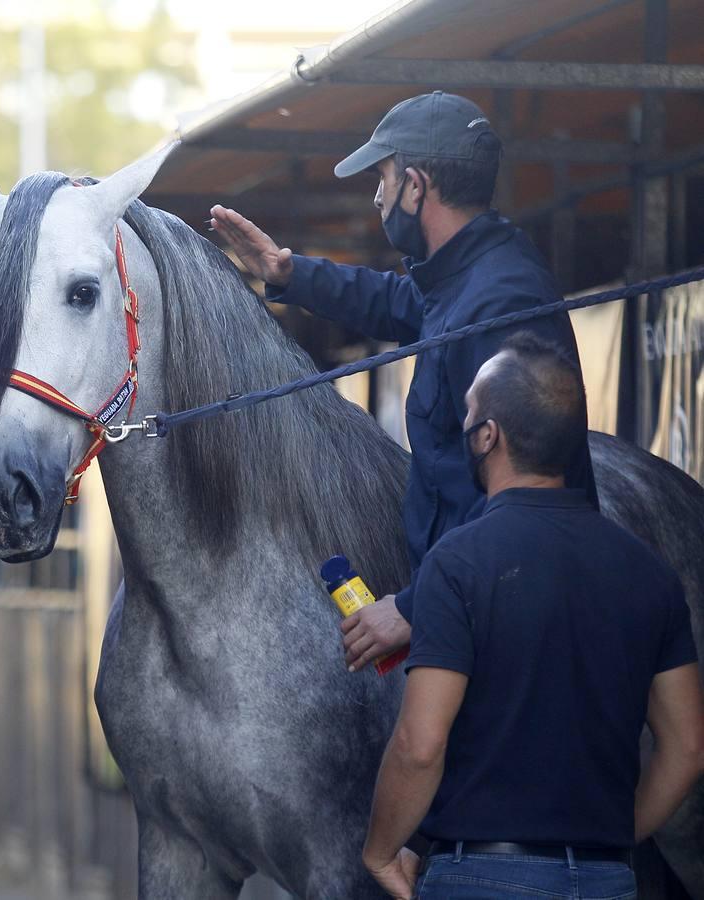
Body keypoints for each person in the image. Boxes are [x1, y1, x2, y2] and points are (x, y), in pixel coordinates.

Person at [209, 91, 598, 673]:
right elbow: (401, 301)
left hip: (499, 623)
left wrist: (415, 609)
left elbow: (517, 500)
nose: (378, 194)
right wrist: (288, 273)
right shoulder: (469, 272)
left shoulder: (502, 298)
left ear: (416, 186)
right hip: (466, 598)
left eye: (384, 178)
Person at [360, 334, 703, 900]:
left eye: (469, 413)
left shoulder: (457, 563)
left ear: (487, 435)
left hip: (481, 877)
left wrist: (379, 852)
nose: (464, 425)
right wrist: (612, 840)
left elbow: (420, 744)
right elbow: (688, 747)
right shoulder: (650, 575)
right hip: (609, 880)